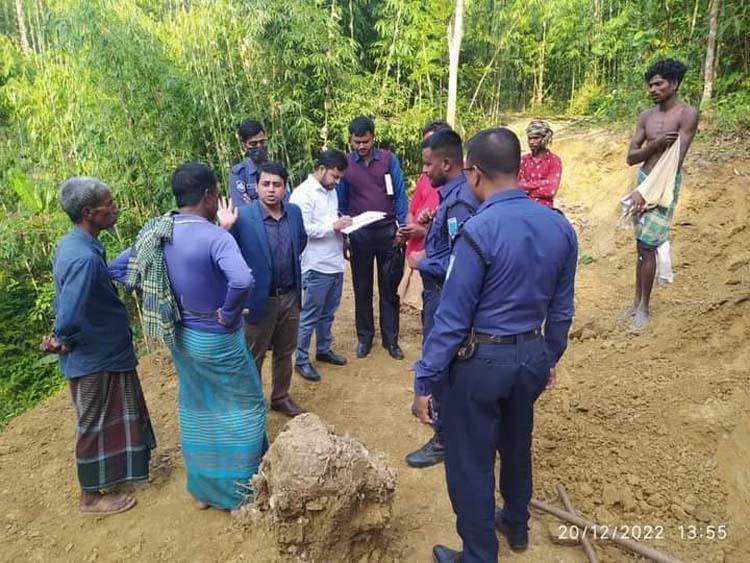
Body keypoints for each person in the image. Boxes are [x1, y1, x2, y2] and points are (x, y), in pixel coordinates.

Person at [411, 128, 577, 563]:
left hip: (480, 363)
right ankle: (516, 525)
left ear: (475, 173)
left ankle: (479, 555)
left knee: (470, 460)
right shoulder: (559, 227)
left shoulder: (477, 231)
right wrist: (548, 355)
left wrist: (424, 380)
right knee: (517, 442)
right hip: (531, 357)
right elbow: (561, 310)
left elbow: (451, 318)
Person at [110, 163, 265, 513]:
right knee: (245, 406)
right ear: (209, 195)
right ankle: (239, 492)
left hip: (180, 337)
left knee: (199, 407)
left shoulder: (157, 233)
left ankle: (204, 490)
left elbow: (119, 269)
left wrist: (162, 295)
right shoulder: (215, 237)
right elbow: (242, 280)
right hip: (218, 339)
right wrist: (227, 312)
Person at [42, 176, 156, 517]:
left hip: (104, 351)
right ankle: (89, 499)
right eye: (110, 202)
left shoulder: (77, 246)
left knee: (109, 418)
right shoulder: (84, 258)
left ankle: (113, 475)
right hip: (94, 356)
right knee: (92, 423)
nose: (116, 206)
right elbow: (71, 312)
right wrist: (60, 338)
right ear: (90, 212)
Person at [405, 129, 479, 470]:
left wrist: (423, 261)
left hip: (444, 296)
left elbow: (461, 260)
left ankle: (445, 438)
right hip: (438, 294)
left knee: (442, 367)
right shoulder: (454, 196)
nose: (424, 172)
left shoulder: (460, 202)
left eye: (427, 165)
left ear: (447, 163)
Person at [227, 162, 309, 417]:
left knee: (285, 351)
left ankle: (280, 396)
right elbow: (228, 253)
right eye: (265, 184)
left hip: (290, 295)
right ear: (258, 186)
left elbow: (301, 241)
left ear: (285, 187)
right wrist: (225, 229)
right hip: (259, 299)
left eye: (277, 185)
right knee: (254, 355)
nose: (271, 190)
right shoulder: (242, 216)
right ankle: (250, 404)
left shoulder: (294, 213)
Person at [623, 59, 699, 330]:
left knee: (649, 246)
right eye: (651, 85)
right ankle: (635, 302)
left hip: (664, 185)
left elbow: (675, 160)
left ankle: (644, 307)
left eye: (659, 83)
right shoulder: (646, 116)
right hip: (644, 181)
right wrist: (654, 144)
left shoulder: (687, 114)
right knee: (640, 246)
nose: (653, 89)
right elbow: (631, 157)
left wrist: (649, 194)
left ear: (674, 84)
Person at [337, 116, 408, 360]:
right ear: (350, 140)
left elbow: (399, 194)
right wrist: (345, 236)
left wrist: (403, 227)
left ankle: (391, 340)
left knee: (389, 289)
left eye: (365, 141)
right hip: (360, 234)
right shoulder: (346, 165)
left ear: (373, 138)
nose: (361, 146)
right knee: (362, 288)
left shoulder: (388, 160)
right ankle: (364, 338)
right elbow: (342, 202)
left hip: (388, 232)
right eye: (357, 142)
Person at [289, 150, 353, 382]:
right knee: (310, 315)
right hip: (315, 264)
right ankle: (302, 359)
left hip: (334, 261)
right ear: (322, 168)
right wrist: (333, 226)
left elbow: (330, 220)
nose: (337, 182)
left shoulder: (331, 192)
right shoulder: (302, 194)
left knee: (329, 312)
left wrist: (344, 231)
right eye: (334, 176)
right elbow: (301, 229)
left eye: (339, 178)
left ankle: (324, 349)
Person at [397, 120, 450, 310]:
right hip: (417, 253)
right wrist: (411, 228)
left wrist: (424, 231)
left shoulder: (463, 187)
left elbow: (455, 235)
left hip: (438, 259)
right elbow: (412, 210)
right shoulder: (425, 177)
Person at [229, 120, 290, 206]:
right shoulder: (239, 173)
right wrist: (272, 205)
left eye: (262, 142)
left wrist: (254, 204)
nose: (259, 146)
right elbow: (242, 208)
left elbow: (286, 202)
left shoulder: (278, 169)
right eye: (253, 144)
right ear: (244, 146)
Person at [517, 119, 562, 208]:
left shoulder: (554, 161)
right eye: (530, 138)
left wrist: (526, 187)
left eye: (536, 138)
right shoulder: (523, 160)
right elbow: (516, 186)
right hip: (522, 206)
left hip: (544, 208)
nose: (532, 142)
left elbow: (550, 191)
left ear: (545, 139)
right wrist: (542, 183)